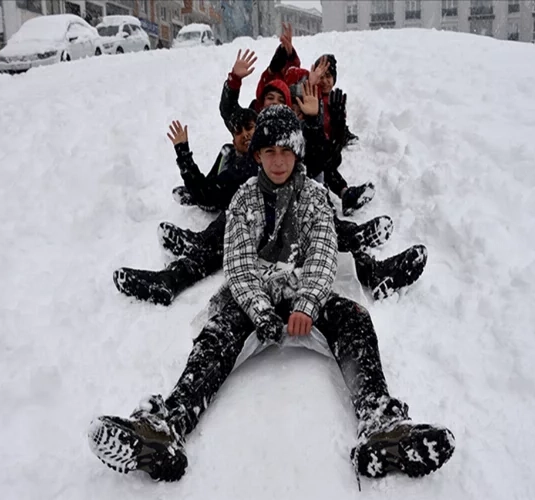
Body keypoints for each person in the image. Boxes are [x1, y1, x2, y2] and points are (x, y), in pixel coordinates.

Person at [88, 106, 455, 482]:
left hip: (303, 292)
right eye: (269, 152)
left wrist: (307, 302)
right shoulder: (244, 198)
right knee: (216, 337)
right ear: (258, 155)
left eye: (285, 152)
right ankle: (167, 426)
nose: (278, 161)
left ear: (296, 153)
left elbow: (324, 254)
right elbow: (238, 263)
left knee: (355, 321)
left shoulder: (313, 197)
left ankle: (381, 424)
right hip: (256, 296)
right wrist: (260, 310)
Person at [115, 84, 423, 306]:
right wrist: (184, 155)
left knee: (320, 234)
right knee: (226, 233)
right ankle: (171, 278)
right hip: (250, 225)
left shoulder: (291, 151)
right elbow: (208, 190)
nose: (247, 134)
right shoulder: (239, 163)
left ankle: (372, 263)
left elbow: (319, 159)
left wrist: (316, 121)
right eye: (242, 131)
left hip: (294, 216)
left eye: (251, 127)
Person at [220, 50, 373, 216]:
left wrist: (336, 126)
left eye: (281, 101)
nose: (275, 104)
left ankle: (338, 206)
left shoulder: (295, 131)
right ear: (262, 100)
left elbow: (322, 159)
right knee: (227, 157)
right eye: (270, 98)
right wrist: (234, 79)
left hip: (289, 183)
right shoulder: (254, 118)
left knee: (317, 176)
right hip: (254, 181)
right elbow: (229, 111)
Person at [170, 107, 258, 212]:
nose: (244, 134)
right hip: (216, 190)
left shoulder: (246, 167)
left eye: (249, 127)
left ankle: (200, 191)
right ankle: (201, 187)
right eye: (238, 131)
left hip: (237, 209)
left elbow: (207, 196)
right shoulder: (233, 152)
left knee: (209, 194)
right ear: (234, 141)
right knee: (227, 150)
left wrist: (183, 154)